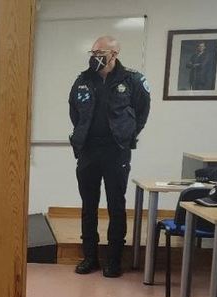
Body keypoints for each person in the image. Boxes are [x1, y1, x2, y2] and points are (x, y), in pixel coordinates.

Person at [69, 35, 151, 278]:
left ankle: (114, 261)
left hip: (116, 151)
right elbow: (74, 112)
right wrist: (83, 134)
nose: (95, 57)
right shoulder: (83, 80)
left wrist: (127, 135)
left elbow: (142, 111)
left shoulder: (133, 80)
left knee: (116, 205)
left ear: (114, 54)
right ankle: (90, 258)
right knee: (88, 206)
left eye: (100, 53)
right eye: (93, 53)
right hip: (88, 150)